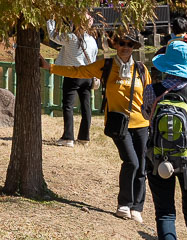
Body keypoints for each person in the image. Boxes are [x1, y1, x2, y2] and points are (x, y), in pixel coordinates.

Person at [45, 31, 150, 223]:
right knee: (131, 162)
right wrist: (50, 67)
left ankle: (137, 207)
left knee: (142, 167)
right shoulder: (106, 65)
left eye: (130, 44)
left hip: (142, 123)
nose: (126, 47)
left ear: (134, 47)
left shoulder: (141, 69)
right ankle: (124, 204)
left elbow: (149, 95)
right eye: (122, 43)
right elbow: (78, 71)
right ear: (116, 45)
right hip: (119, 123)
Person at [142, 40, 187, 240]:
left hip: (159, 159)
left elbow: (146, 116)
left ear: (166, 65)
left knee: (165, 213)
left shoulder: (151, 91)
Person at [47, 12, 99, 146]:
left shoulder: (70, 37)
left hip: (72, 74)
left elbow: (52, 36)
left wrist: (50, 20)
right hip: (87, 75)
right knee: (86, 107)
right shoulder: (92, 40)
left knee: (68, 106)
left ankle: (68, 137)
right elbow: (94, 58)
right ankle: (84, 138)